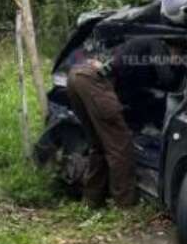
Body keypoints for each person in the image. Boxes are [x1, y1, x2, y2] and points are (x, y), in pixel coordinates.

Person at [64, 35, 181, 208]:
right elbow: (167, 79)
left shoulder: (137, 47)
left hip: (76, 76)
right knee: (121, 146)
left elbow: (130, 91)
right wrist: (177, 66)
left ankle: (92, 200)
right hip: (94, 80)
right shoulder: (157, 44)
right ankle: (125, 205)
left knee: (99, 145)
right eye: (179, 52)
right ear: (173, 46)